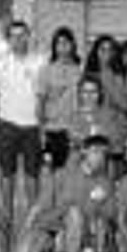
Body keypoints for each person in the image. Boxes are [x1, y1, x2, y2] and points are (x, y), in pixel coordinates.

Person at [15, 135, 115, 252]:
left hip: (81, 234)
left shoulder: (105, 184)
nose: (99, 157)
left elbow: (106, 219)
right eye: (95, 151)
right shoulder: (63, 174)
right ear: (84, 151)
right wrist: (25, 233)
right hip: (53, 227)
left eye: (103, 154)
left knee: (74, 212)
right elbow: (39, 205)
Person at [0, 20, 46, 252]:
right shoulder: (0, 64)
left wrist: (44, 124)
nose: (18, 40)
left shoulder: (41, 62)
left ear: (29, 36)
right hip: (7, 126)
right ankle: (6, 239)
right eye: (13, 36)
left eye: (22, 35)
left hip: (32, 128)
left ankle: (32, 242)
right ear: (8, 40)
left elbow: (46, 95)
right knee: (6, 185)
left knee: (33, 185)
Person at [38, 27, 84, 170]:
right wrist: (42, 133)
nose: (63, 47)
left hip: (75, 131)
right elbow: (40, 103)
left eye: (66, 43)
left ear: (73, 45)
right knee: (55, 175)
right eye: (59, 43)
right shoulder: (46, 70)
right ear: (54, 47)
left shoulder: (79, 71)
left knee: (74, 173)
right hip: (54, 130)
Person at [68, 76, 126, 175]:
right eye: (85, 92)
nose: (89, 96)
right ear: (80, 94)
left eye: (93, 92)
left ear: (100, 93)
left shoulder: (109, 115)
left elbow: (114, 141)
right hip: (78, 168)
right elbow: (74, 140)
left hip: (104, 168)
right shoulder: (74, 116)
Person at [83, 34, 124, 114]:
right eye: (103, 49)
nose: (107, 53)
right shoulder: (89, 75)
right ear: (96, 51)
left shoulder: (119, 75)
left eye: (110, 50)